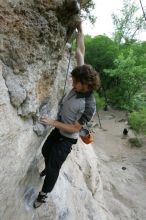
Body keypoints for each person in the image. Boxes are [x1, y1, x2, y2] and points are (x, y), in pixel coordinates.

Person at [33, 22, 100, 208]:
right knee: (46, 151)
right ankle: (48, 167)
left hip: (67, 138)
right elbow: (80, 51)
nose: (73, 84)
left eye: (76, 83)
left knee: (55, 167)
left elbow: (75, 128)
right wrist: (81, 30)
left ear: (87, 84)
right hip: (59, 128)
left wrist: (53, 122)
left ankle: (43, 195)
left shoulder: (88, 106)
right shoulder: (82, 75)